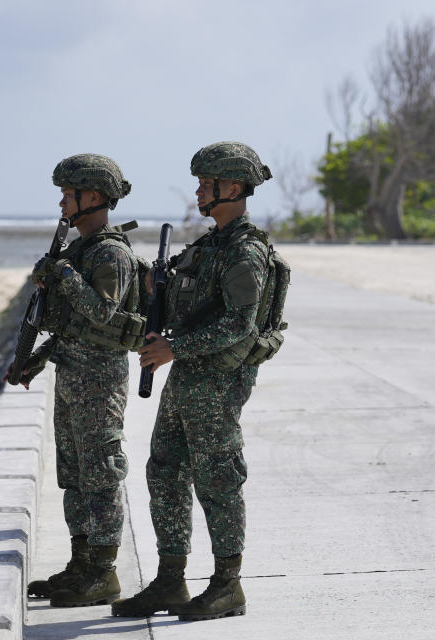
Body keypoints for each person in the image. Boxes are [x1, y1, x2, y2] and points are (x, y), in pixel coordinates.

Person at [112, 141, 272, 621]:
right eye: (200, 182)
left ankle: (227, 586)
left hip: (219, 384)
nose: (199, 190)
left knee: (218, 481)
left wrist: (174, 348)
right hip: (187, 381)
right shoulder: (209, 246)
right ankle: (170, 580)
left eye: (208, 183)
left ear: (235, 187)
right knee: (164, 473)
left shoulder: (245, 251)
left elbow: (240, 325)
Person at [16, 153, 140, 607]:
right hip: (71, 374)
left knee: (102, 475)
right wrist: (34, 359)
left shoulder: (110, 253)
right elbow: (68, 325)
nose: (62, 203)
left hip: (99, 380)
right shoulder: (79, 251)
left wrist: (64, 274)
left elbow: (103, 311)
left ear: (93, 197)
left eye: (69, 195)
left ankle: (104, 574)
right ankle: (82, 562)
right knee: (74, 476)